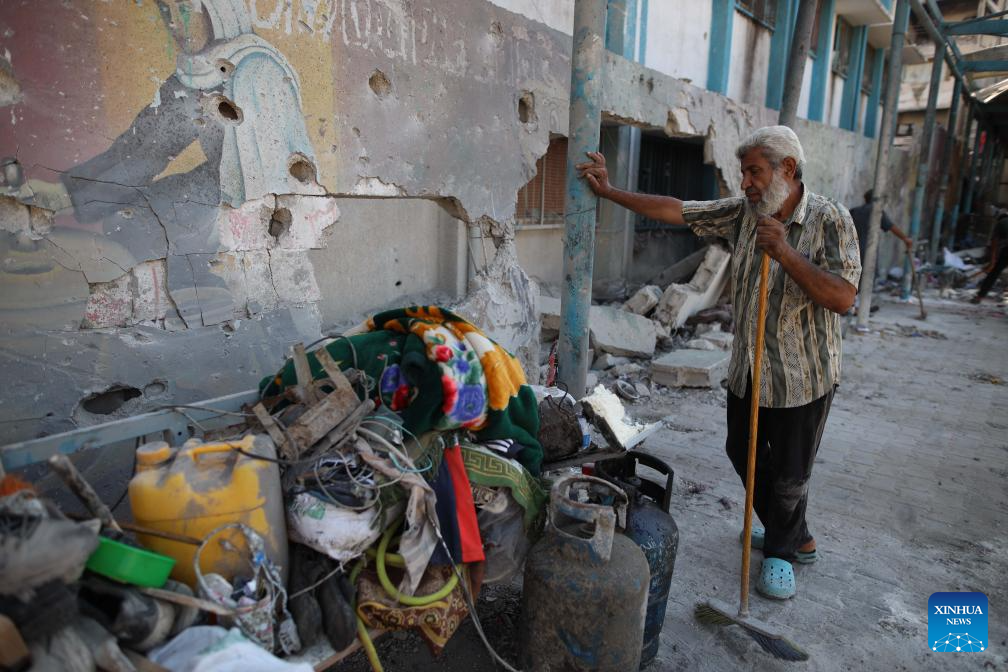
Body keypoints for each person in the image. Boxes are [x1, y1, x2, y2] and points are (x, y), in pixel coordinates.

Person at [577, 126, 860, 600]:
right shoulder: (744, 213)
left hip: (802, 377)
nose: (745, 182)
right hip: (748, 370)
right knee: (741, 452)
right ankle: (795, 533)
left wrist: (784, 252)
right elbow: (676, 209)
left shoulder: (831, 219)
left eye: (754, 171)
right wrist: (609, 192)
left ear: (787, 169)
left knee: (790, 474)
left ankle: (782, 553)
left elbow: (844, 297)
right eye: (743, 171)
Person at [970, 211, 1008, 303]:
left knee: (994, 273)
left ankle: (979, 297)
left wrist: (992, 260)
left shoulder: (1001, 223)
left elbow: (994, 243)